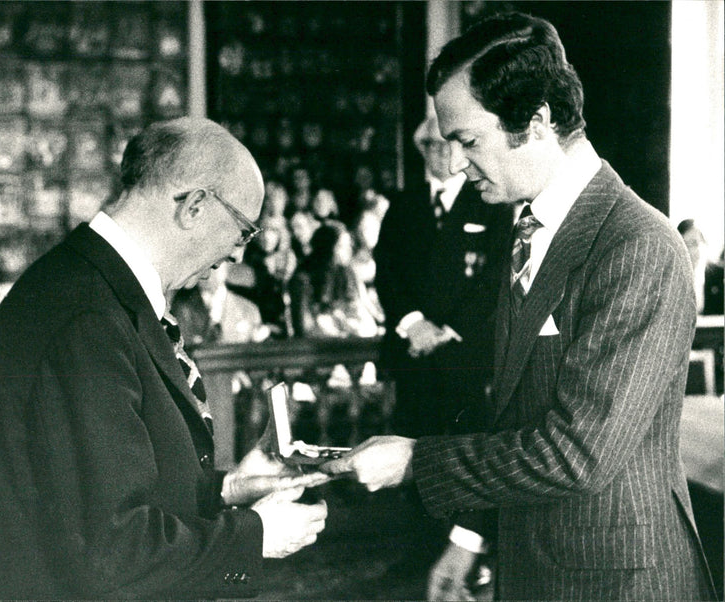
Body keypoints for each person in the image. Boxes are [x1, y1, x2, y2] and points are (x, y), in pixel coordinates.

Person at [324, 12, 716, 601]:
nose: (454, 163)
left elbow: (578, 452)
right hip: (541, 567)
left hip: (617, 580)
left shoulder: (637, 246)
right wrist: (468, 536)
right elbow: (513, 416)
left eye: (467, 141)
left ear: (535, 121)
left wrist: (415, 462)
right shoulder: (531, 227)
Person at [0, 117, 329, 599]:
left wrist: (226, 490)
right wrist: (255, 536)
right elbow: (112, 550)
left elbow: (108, 486)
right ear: (196, 205)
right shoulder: (87, 317)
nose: (239, 257)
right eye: (243, 231)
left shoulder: (96, 287)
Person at [374, 114, 512, 593]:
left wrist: (448, 330)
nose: (439, 155)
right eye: (429, 146)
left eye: (446, 145)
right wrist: (414, 324)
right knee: (411, 449)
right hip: (415, 358)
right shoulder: (404, 206)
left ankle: (469, 548)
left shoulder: (490, 204)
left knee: (463, 448)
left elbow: (496, 279)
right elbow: (386, 271)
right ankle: (422, 549)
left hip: (465, 359)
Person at [289, 221, 379, 339]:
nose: (348, 251)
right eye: (341, 246)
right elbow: (304, 327)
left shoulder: (348, 272)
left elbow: (364, 319)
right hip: (318, 346)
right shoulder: (302, 279)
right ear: (327, 248)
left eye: (348, 246)